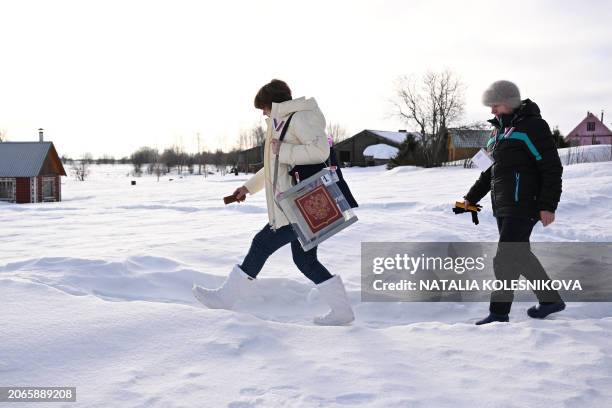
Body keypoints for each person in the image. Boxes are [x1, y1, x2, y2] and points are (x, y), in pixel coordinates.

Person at [192, 79, 355, 326]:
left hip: (297, 205)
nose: (263, 114)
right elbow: (273, 168)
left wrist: (284, 149)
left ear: (274, 103)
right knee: (305, 261)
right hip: (296, 205)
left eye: (264, 108)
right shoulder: (279, 126)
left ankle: (225, 299)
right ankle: (342, 312)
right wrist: (247, 188)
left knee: (261, 244)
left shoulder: (300, 118)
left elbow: (320, 151)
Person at [463, 80, 565, 325]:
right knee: (520, 255)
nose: (492, 111)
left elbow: (552, 168)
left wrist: (548, 205)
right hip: (503, 205)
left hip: (525, 204)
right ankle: (550, 300)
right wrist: (470, 198)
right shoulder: (497, 133)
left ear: (509, 102)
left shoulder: (533, 127)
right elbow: (489, 172)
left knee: (506, 256)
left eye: (495, 105)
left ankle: (499, 313)